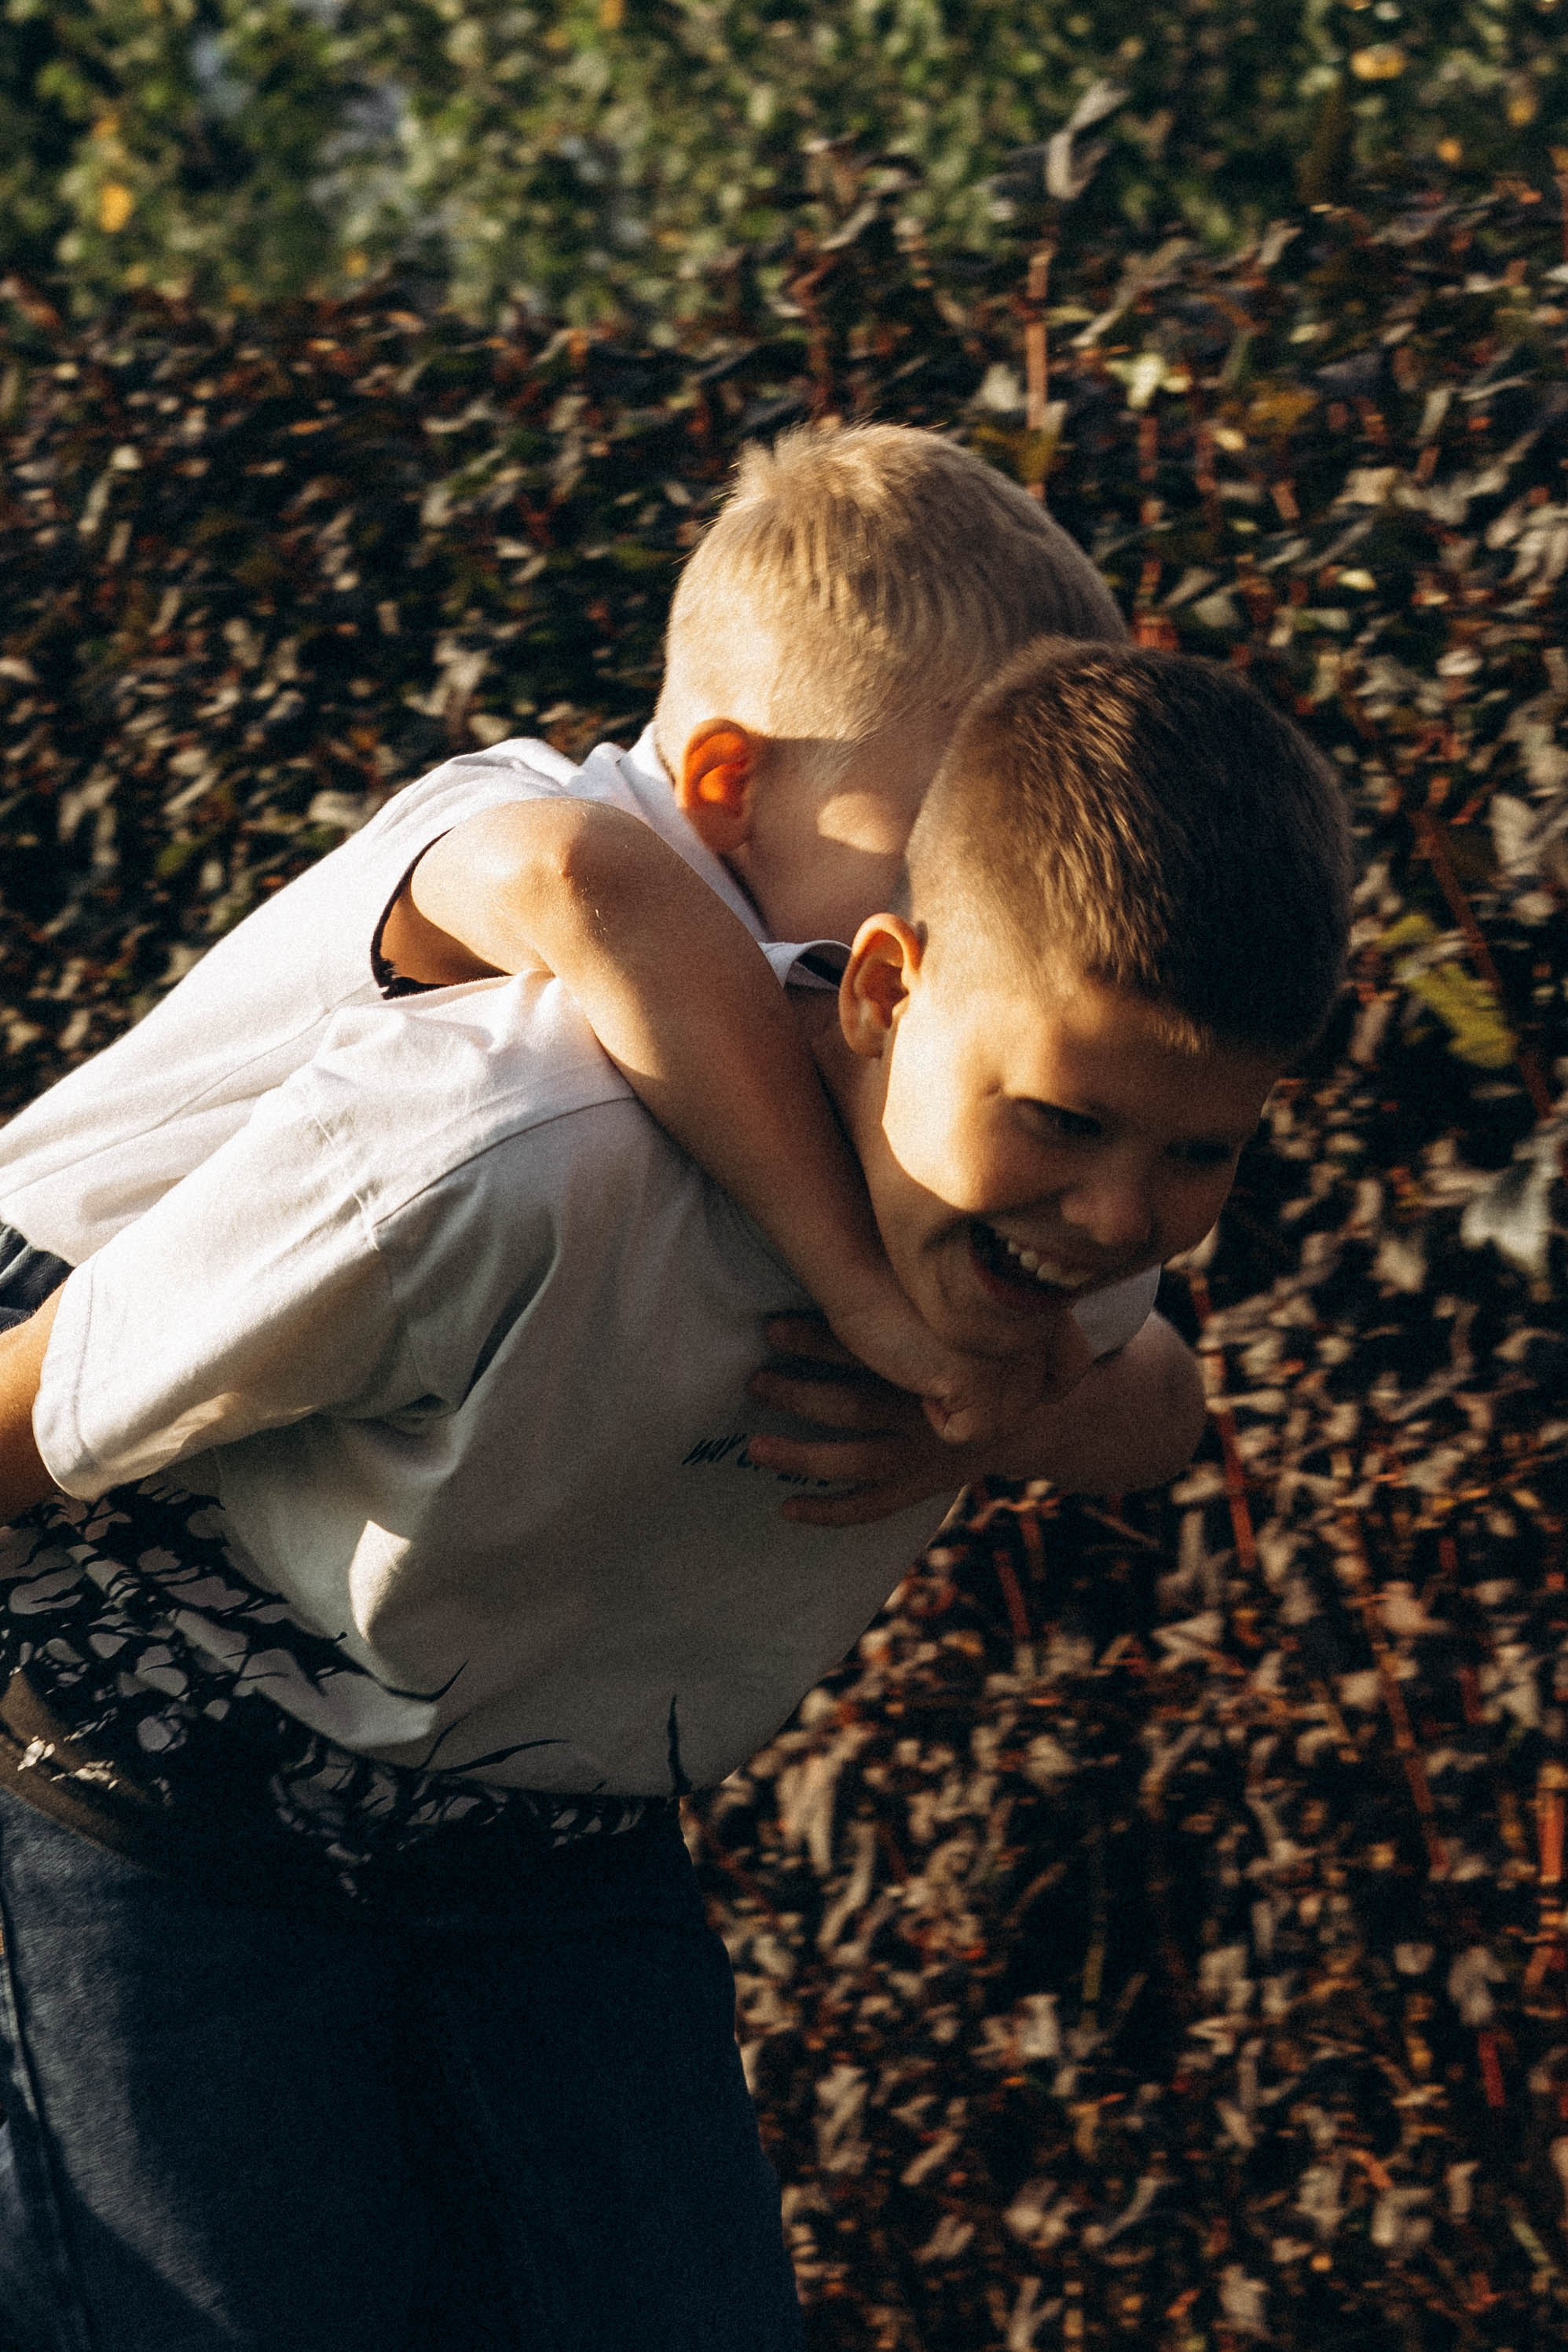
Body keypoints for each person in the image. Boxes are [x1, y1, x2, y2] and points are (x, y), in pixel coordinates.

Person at [0, 641, 1351, 2352]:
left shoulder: (1032, 1217)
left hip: (544, 1851)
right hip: (151, 1795)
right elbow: (27, 1418)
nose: (1110, 1219)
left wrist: (978, 1418)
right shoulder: (499, 1159)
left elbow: (1150, 1405)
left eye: (1197, 1157)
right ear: (879, 991)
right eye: (1064, 1127)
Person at [0, 423, 1128, 1451]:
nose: (984, 910)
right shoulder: (528, 811)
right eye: (934, 854)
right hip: (46, 1281)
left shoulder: (855, 991)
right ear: (727, 782)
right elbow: (582, 882)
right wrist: (862, 1291)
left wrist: (996, 1412)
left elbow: (1156, 1386)